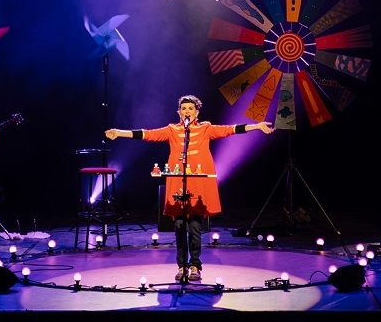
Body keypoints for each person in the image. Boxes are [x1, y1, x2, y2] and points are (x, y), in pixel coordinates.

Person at [106, 94, 274, 282]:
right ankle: (181, 266)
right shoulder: (172, 130)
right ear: (179, 112)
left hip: (198, 183)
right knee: (179, 226)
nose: (187, 111)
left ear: (197, 112)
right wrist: (120, 132)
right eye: (183, 108)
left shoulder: (206, 129)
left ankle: (195, 266)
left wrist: (257, 126)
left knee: (194, 226)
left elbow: (230, 129)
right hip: (178, 183)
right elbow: (148, 134)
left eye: (190, 108)